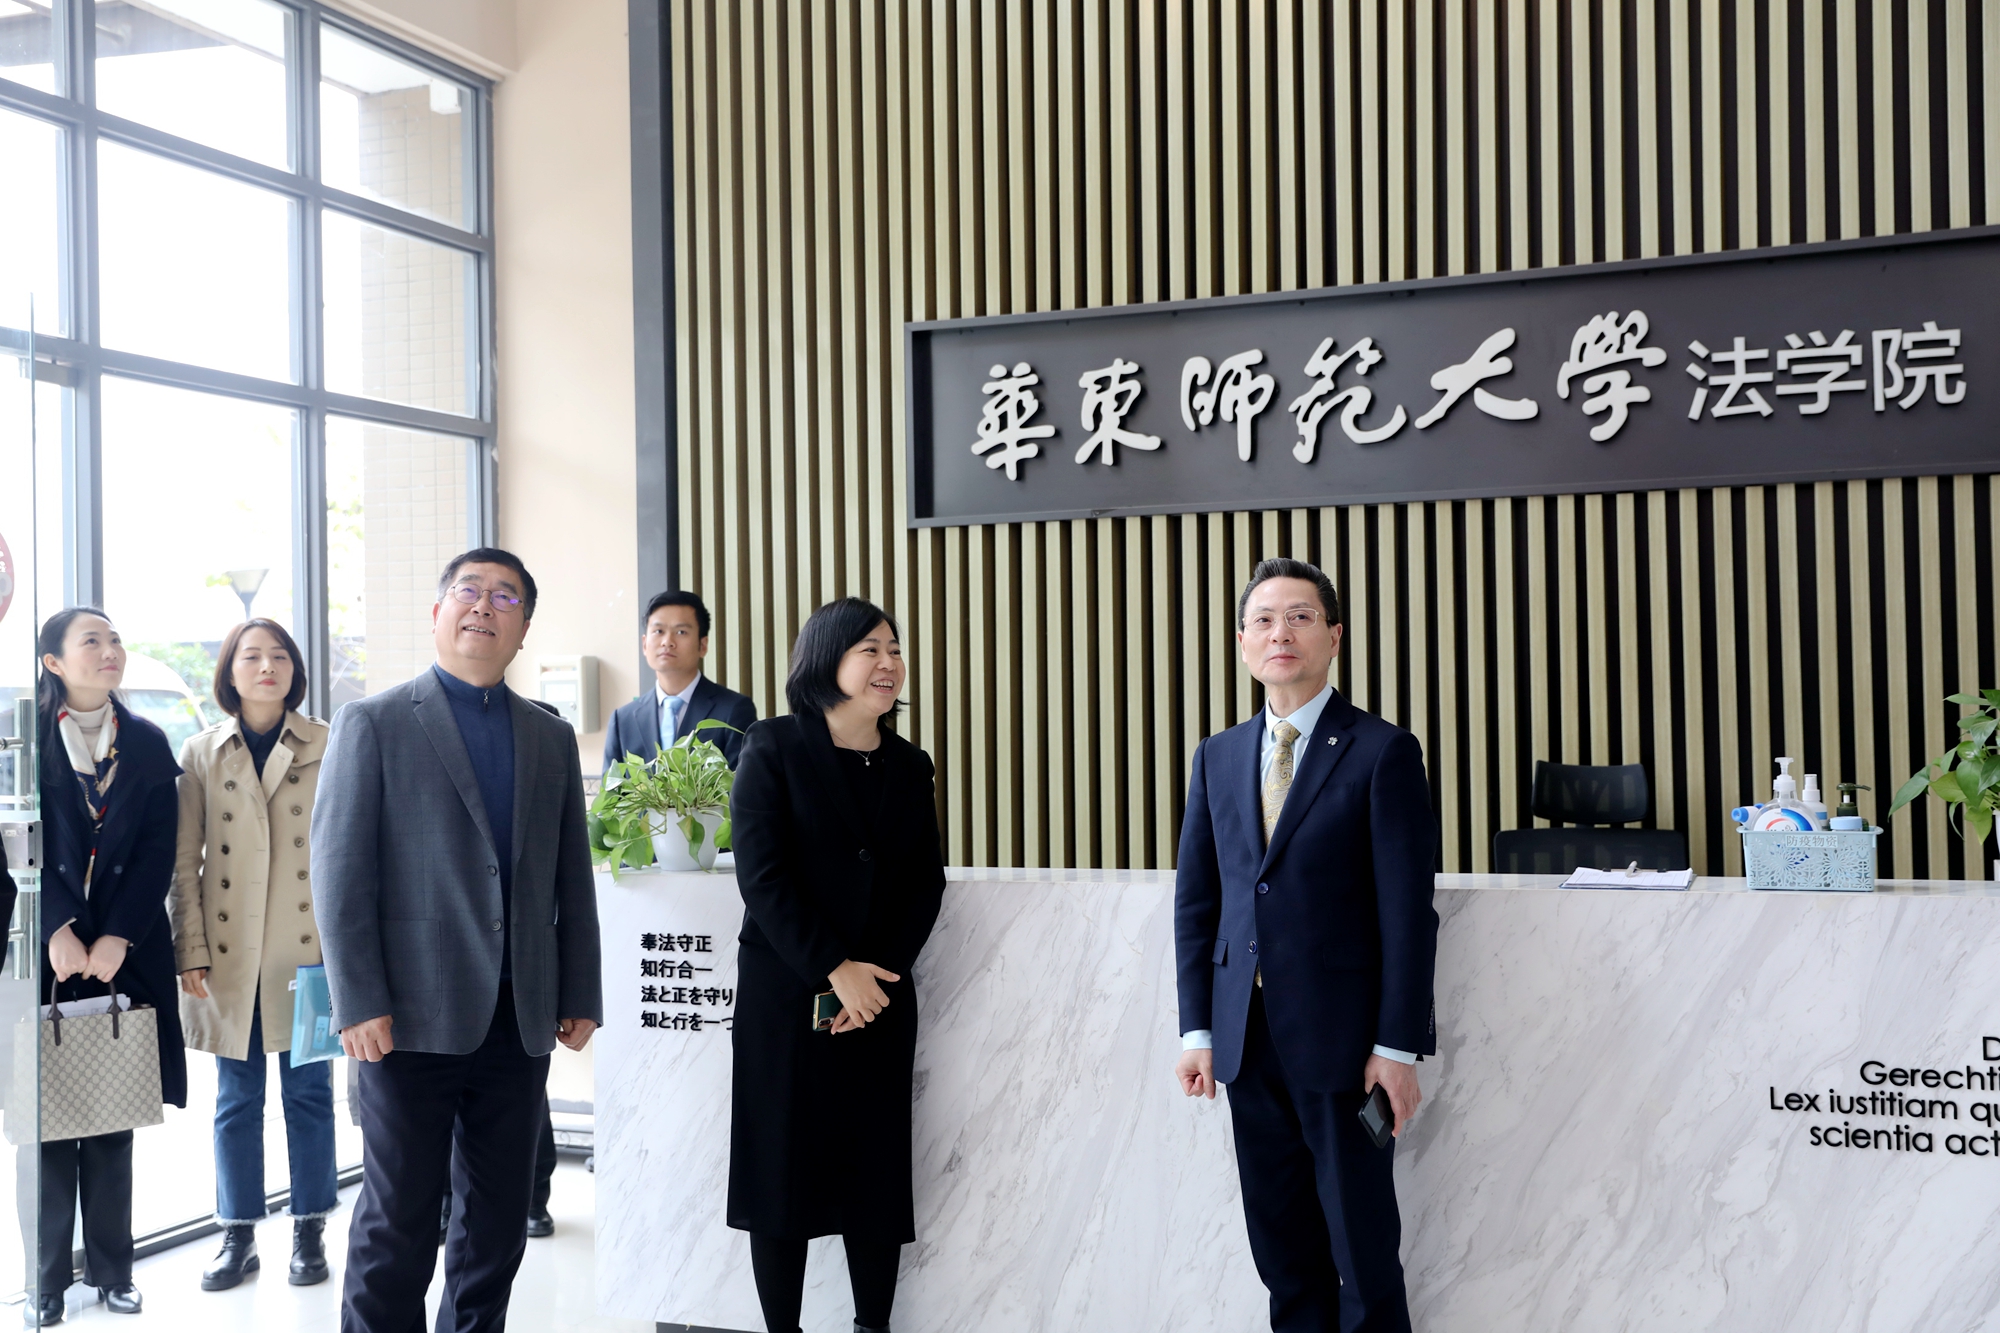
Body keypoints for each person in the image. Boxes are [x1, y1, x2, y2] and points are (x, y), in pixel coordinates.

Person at [313, 547, 602, 1333]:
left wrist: (580, 988)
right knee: (399, 1216)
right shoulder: (373, 722)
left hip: (520, 1015)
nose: (484, 605)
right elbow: (339, 874)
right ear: (437, 612)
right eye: (468, 590)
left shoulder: (548, 736)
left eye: (505, 597)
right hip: (405, 1017)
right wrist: (357, 1000)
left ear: (524, 627)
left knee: (498, 1221)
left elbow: (570, 876)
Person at [1173, 558, 1438, 1333]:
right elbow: (1199, 904)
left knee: (1362, 1254)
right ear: (1242, 642)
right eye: (1262, 619)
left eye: (1299, 616)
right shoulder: (1218, 756)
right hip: (1246, 1044)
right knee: (1283, 1256)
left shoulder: (1382, 751)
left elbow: (1407, 913)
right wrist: (1197, 1029)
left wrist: (1396, 1046)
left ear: (1333, 635)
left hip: (1346, 1047)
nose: (1279, 632)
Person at [727, 599, 945, 1333]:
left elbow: (923, 884)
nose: (889, 663)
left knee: (873, 1170)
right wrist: (833, 968)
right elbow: (763, 876)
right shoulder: (774, 745)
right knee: (779, 1169)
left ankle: (871, 1325)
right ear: (826, 658)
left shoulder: (910, 765)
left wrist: (874, 978)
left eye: (894, 649)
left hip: (879, 996)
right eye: (869, 649)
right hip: (788, 996)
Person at [26, 607, 189, 1324]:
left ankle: (114, 1271)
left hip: (125, 952)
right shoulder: (22, 737)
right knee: (47, 1124)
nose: (110, 649)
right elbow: (13, 836)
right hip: (44, 952)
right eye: (91, 640)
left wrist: (119, 936)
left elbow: (159, 851)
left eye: (114, 638)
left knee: (112, 1115)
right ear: (54, 661)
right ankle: (45, 1282)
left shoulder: (146, 741)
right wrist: (56, 926)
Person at [170, 619, 338, 1292]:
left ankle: (309, 1228)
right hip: (230, 954)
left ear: (294, 669)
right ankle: (237, 1234)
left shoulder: (329, 742)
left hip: (309, 951)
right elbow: (184, 863)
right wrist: (189, 946)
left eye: (279, 656)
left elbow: (347, 851)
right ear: (230, 673)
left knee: (309, 1096)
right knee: (236, 1100)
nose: (267, 666)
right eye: (251, 656)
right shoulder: (201, 752)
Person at [601, 590, 757, 771]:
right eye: (658, 631)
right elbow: (611, 788)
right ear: (644, 644)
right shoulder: (623, 720)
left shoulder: (734, 710)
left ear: (703, 645)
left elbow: (742, 784)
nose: (667, 642)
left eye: (681, 632)